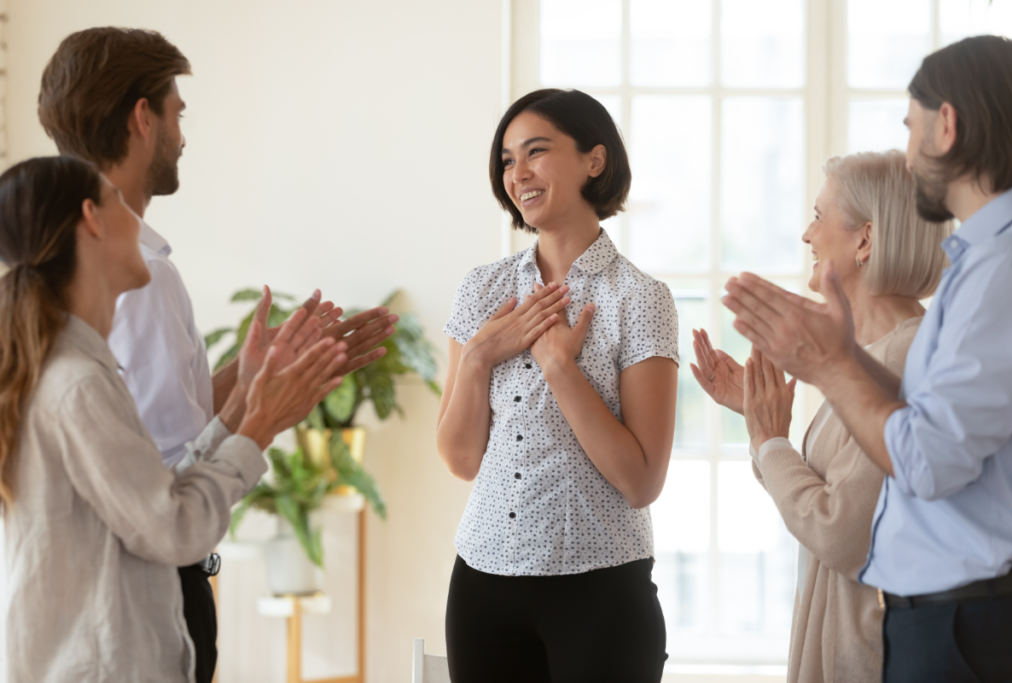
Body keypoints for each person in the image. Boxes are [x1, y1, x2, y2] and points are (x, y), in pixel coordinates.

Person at [36, 28, 399, 682]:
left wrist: (260, 375)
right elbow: (170, 483)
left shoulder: (83, 276)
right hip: (147, 592)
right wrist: (264, 411)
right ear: (141, 119)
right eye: (177, 114)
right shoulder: (137, 275)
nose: (183, 135)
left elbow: (151, 427)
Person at [722, 36, 1012, 681]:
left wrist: (829, 368)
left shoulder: (1006, 264)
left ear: (947, 126)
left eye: (910, 127)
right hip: (948, 620)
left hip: (963, 627)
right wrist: (825, 362)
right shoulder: (985, 261)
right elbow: (924, 407)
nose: (909, 155)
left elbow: (926, 459)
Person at [0, 155, 349, 681]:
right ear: (92, 220)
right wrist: (259, 424)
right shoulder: (75, 384)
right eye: (116, 200)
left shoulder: (73, 369)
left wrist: (241, 403)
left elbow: (150, 505)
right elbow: (176, 528)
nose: (139, 221)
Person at [436, 89, 679, 683]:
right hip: (482, 585)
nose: (518, 174)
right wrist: (478, 360)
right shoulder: (482, 290)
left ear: (594, 161)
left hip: (601, 591)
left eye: (536, 152)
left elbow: (641, 480)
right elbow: (461, 458)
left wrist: (561, 370)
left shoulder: (640, 299)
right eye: (507, 160)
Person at [692, 151, 951, 683]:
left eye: (818, 215)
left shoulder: (907, 355)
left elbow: (840, 532)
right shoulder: (872, 352)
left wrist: (770, 442)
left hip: (871, 656)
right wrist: (760, 421)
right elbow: (825, 503)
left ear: (865, 240)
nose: (807, 235)